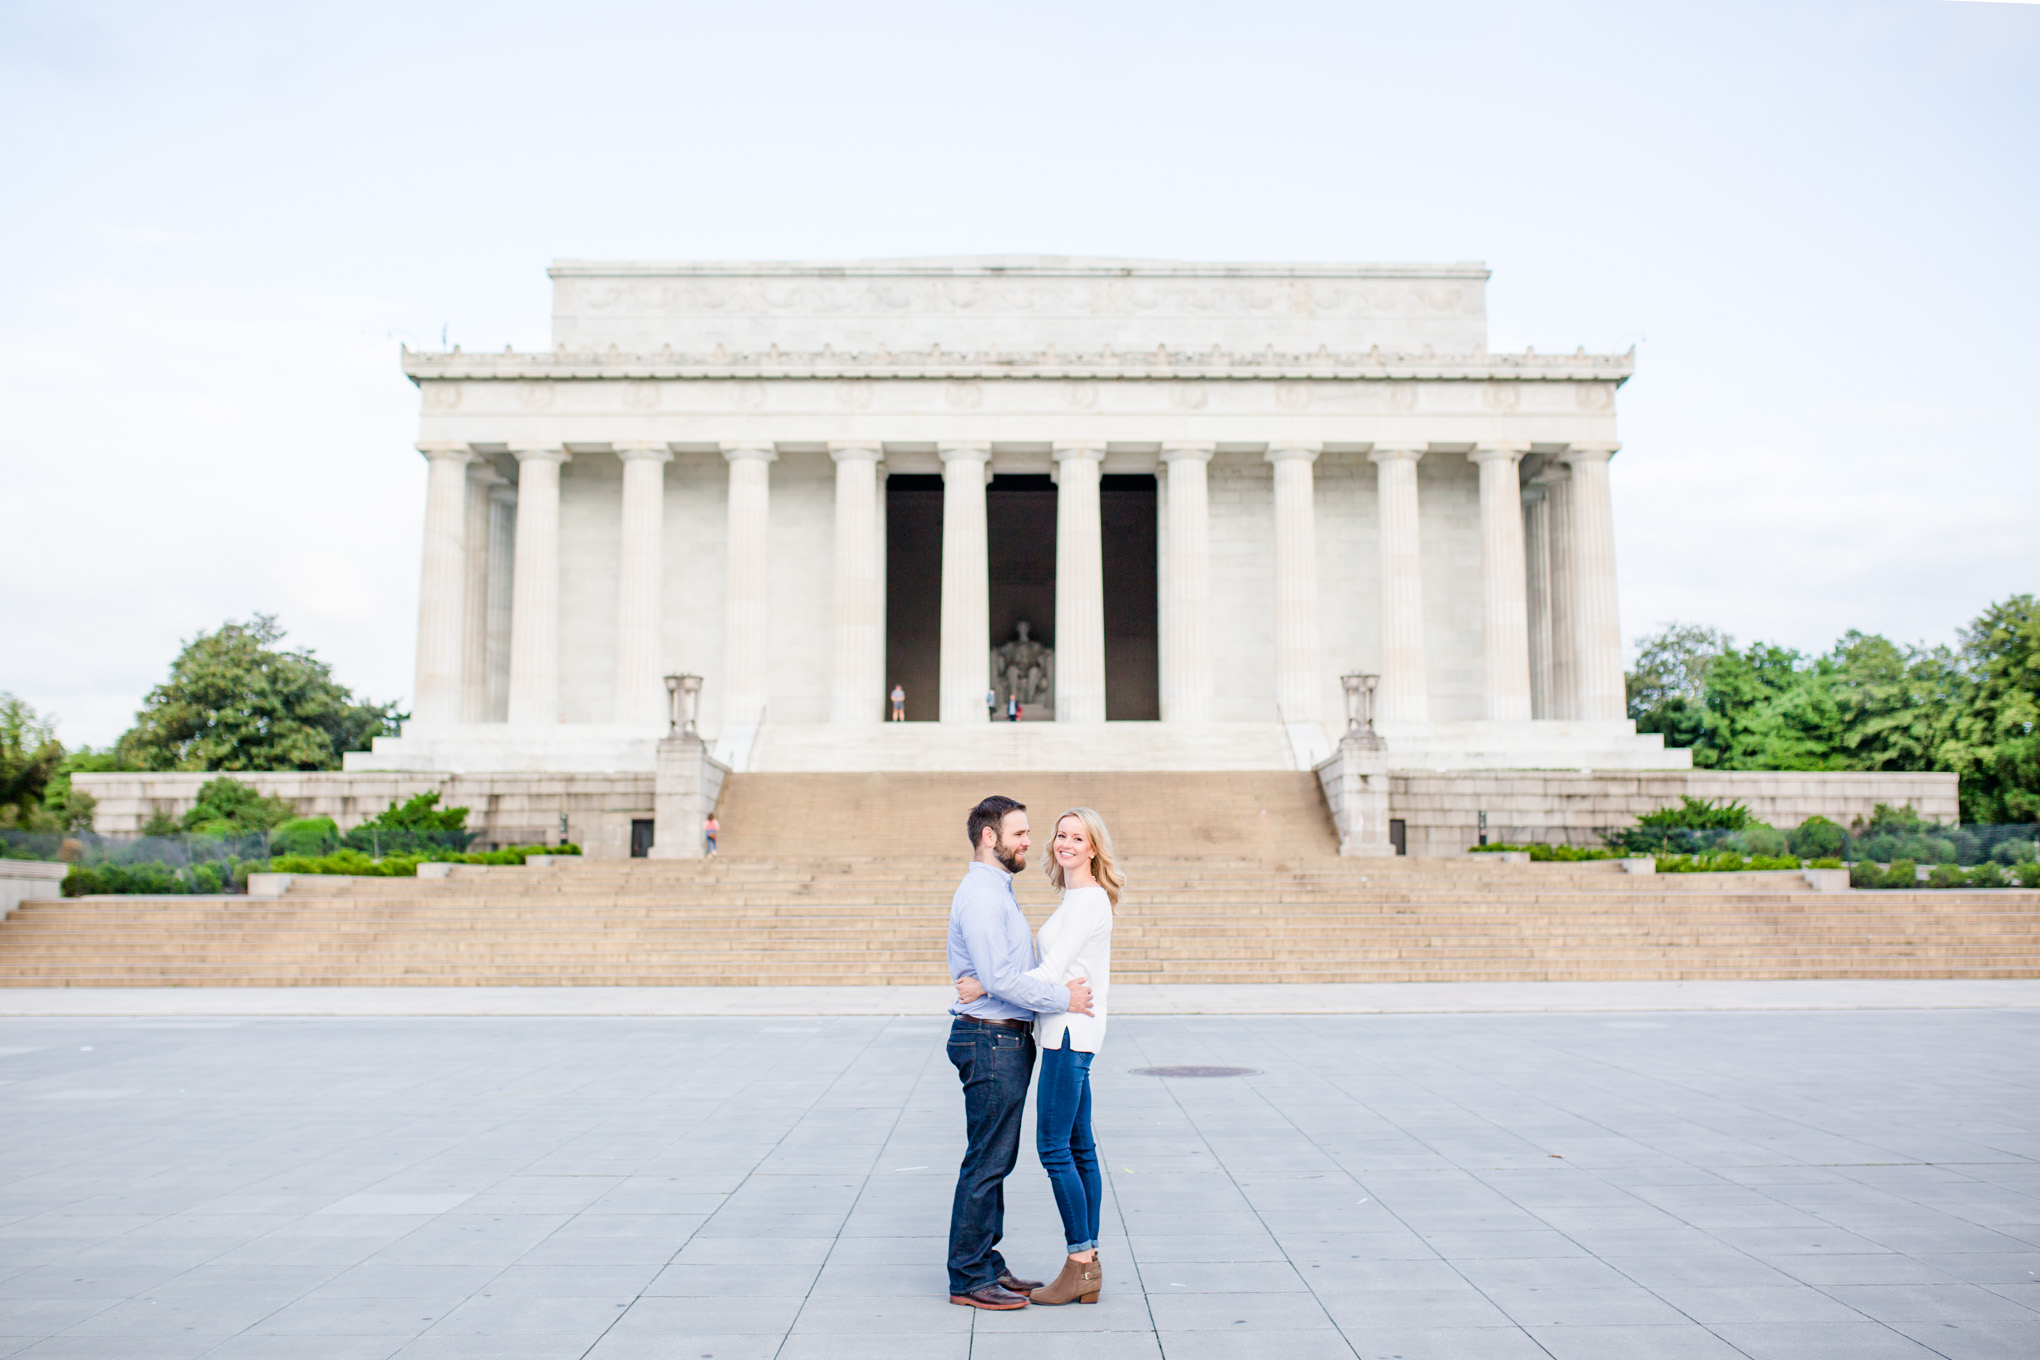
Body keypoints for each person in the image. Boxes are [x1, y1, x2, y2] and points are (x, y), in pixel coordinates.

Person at [956, 806, 1119, 1306]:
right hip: (1067, 1032)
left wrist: (985, 981)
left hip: (1067, 1034)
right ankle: (1087, 1264)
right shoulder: (1073, 899)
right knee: (1080, 1149)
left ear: (1094, 848)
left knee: (1054, 1149)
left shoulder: (1088, 901)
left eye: (1077, 837)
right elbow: (1047, 965)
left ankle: (1080, 1263)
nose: (1064, 843)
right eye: (1060, 834)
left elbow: (1050, 974)